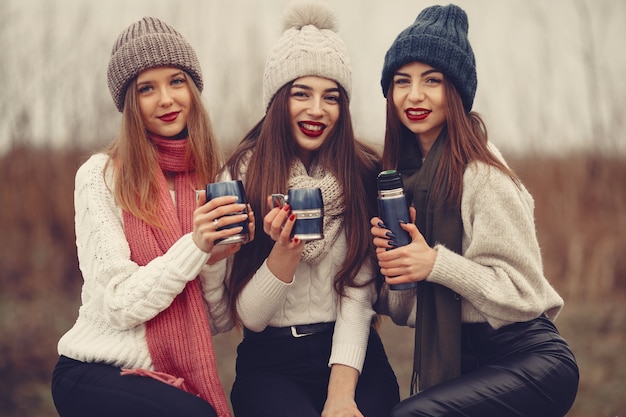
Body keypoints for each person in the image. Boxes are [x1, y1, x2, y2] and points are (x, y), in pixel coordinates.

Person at [370, 4, 579, 417]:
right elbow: (402, 312)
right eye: (402, 81)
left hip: (530, 359)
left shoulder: (484, 176)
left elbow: (522, 295)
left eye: (432, 80)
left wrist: (433, 263)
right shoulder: (400, 184)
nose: (414, 95)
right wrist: (398, 272)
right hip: (469, 365)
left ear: (457, 91)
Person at [51, 17, 253, 417]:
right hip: (93, 368)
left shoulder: (211, 178)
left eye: (176, 81)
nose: (166, 99)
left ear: (193, 90)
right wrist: (194, 244)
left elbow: (212, 322)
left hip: (162, 380)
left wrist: (214, 259)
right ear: (130, 103)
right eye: (147, 88)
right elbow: (119, 304)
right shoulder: (100, 175)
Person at [220, 1, 400, 416]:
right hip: (271, 361)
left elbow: (359, 294)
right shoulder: (241, 174)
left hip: (353, 356)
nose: (317, 110)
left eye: (331, 97)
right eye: (301, 93)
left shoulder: (364, 173)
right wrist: (285, 250)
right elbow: (251, 316)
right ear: (278, 100)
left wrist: (340, 395)